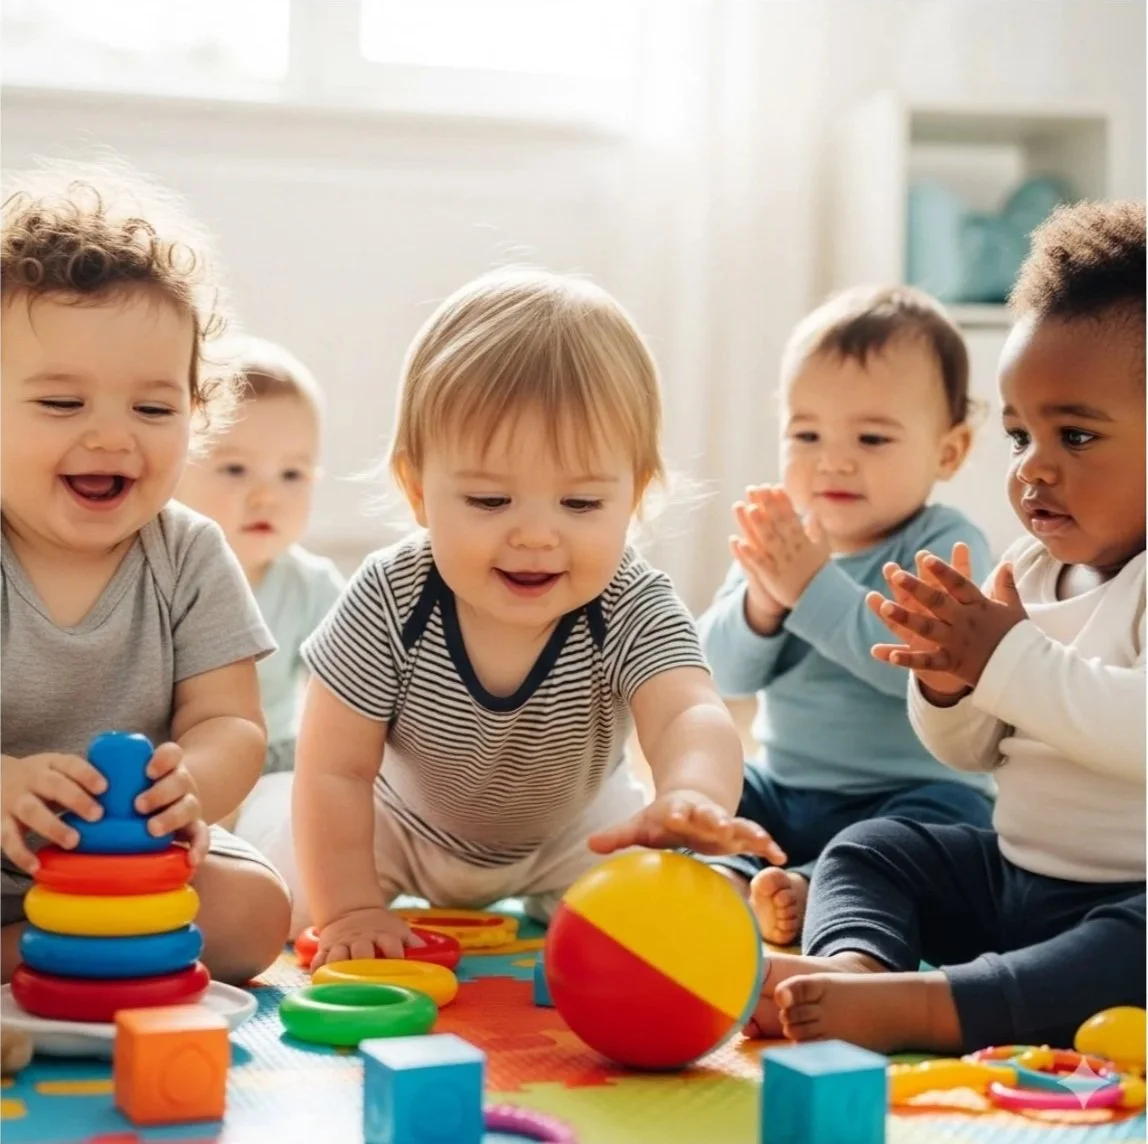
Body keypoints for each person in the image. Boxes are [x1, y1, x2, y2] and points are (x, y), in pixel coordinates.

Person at [272, 268, 785, 963]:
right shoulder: (392, 596)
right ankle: (265, 825)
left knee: (667, 931)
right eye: (490, 501)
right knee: (280, 907)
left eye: (580, 506)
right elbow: (333, 769)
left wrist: (690, 795)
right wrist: (351, 907)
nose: (537, 537)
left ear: (633, 498)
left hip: (576, 833)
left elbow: (689, 712)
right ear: (417, 490)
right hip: (396, 827)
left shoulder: (629, 599)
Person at [752, 200, 1146, 1053]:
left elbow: (1132, 726)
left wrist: (1003, 656)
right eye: (1018, 436)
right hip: (1014, 876)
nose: (1034, 467)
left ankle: (942, 1008)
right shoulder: (1030, 572)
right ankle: (859, 965)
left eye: (1074, 435)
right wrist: (948, 685)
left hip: (1127, 903)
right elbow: (972, 752)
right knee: (872, 849)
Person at [0, 163, 291, 983]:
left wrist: (186, 783)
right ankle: (56, 952)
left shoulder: (190, 552)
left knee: (255, 914)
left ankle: (39, 956)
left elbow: (231, 722)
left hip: (134, 866)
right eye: (62, 405)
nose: (111, 437)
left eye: (154, 408)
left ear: (197, 414)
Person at [698, 285, 993, 944]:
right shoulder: (781, 542)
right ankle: (731, 874)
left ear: (948, 452)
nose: (833, 458)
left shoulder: (944, 545)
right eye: (806, 433)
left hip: (910, 792)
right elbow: (719, 674)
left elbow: (911, 669)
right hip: (787, 787)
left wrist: (809, 587)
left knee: (935, 835)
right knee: (708, 786)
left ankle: (813, 887)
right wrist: (763, 603)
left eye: (871, 437)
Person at [177, 336, 344, 846]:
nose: (267, 495)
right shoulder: (166, 573)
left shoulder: (310, 584)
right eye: (234, 469)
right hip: (180, 759)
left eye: (292, 474)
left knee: (309, 818)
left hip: (273, 763)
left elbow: (347, 690)